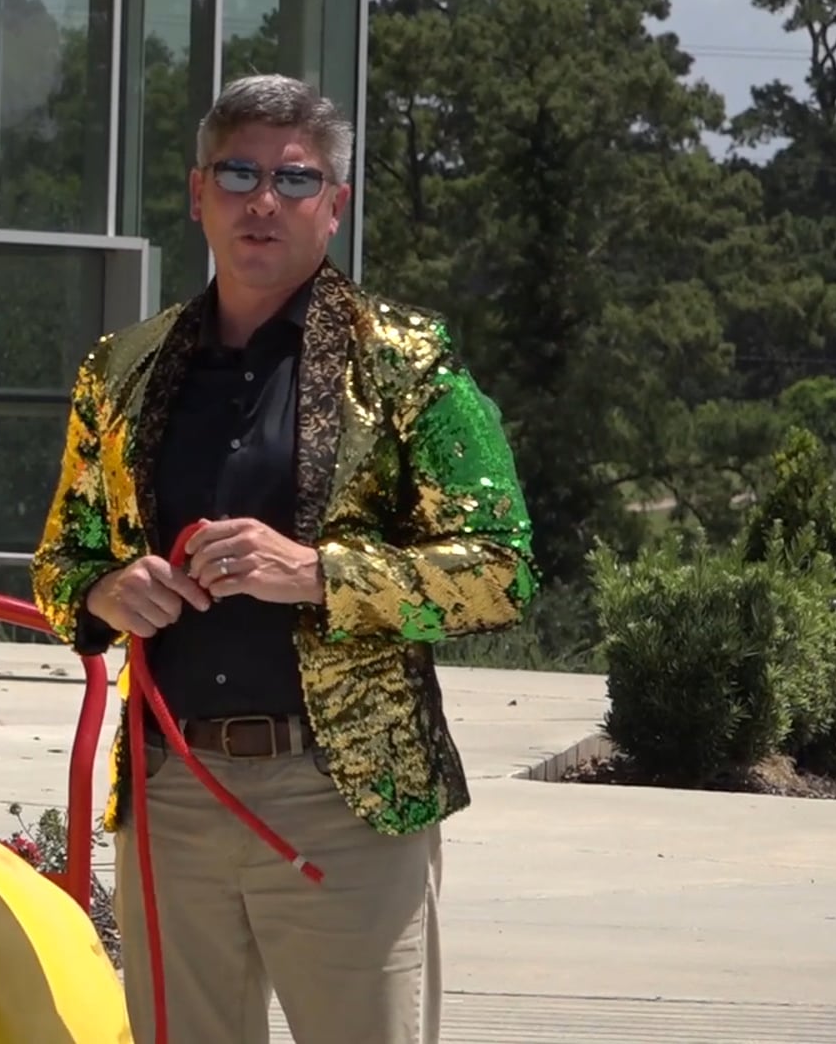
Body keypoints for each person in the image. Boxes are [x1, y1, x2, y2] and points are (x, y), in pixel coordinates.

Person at [29, 74, 538, 1044]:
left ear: (334, 206)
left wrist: (317, 574)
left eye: (295, 180)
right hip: (172, 790)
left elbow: (501, 571)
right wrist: (105, 590)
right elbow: (61, 562)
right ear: (198, 194)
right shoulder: (121, 369)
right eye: (239, 174)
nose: (264, 200)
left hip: (342, 795)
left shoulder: (404, 360)